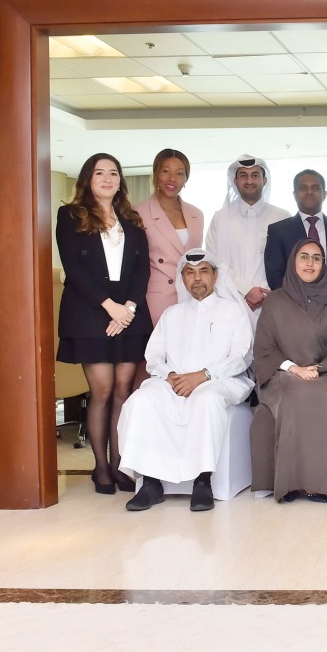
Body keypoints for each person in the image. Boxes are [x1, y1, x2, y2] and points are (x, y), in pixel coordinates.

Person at [119, 249, 254, 512]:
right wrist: (169, 375)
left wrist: (203, 376)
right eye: (190, 273)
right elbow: (154, 355)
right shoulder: (172, 314)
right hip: (173, 382)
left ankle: (202, 482)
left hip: (221, 381)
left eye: (204, 271)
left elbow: (241, 357)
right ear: (183, 278)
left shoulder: (233, 311)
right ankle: (150, 483)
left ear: (215, 276)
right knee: (142, 400)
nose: (197, 278)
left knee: (206, 399)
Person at [55, 153, 153, 495]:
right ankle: (100, 468)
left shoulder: (131, 218)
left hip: (128, 312)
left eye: (113, 173)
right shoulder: (69, 216)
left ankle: (120, 466)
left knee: (124, 392)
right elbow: (75, 269)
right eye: (100, 173)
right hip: (88, 310)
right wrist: (109, 307)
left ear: (120, 180)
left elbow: (143, 270)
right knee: (103, 390)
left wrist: (127, 308)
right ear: (88, 178)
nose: (107, 178)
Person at [250, 238, 327, 503]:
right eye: (304, 257)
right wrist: (294, 368)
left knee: (326, 394)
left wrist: (316, 369)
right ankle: (291, 482)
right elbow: (264, 349)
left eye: (317, 258)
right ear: (293, 261)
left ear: (323, 265)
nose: (310, 263)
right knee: (295, 391)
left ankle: (322, 484)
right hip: (282, 374)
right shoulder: (275, 302)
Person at [205, 154, 291, 328]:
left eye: (255, 175)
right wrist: (245, 290)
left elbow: (288, 263)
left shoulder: (282, 217)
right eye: (243, 175)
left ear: (265, 180)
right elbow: (213, 262)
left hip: (272, 304)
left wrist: (263, 293)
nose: (249, 180)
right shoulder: (220, 219)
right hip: (230, 302)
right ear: (235, 181)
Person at [264, 169, 327, 304]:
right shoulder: (278, 231)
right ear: (295, 194)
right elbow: (275, 275)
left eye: (315, 188)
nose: (309, 192)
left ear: (324, 194)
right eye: (303, 188)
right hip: (294, 308)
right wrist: (301, 300)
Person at [133, 148, 203, 325]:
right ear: (156, 174)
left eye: (180, 173)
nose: (172, 179)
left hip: (191, 296)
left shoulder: (197, 214)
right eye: (166, 171)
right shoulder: (136, 213)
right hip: (156, 298)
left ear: (186, 179)